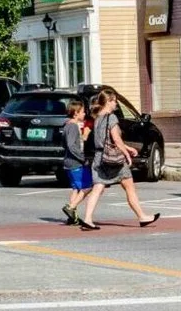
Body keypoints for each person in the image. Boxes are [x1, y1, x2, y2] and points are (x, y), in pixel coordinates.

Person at [84, 89, 159, 227]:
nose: (116, 104)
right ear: (108, 102)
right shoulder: (111, 117)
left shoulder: (98, 118)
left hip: (100, 158)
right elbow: (116, 140)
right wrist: (126, 153)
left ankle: (88, 219)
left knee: (98, 188)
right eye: (114, 101)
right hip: (113, 159)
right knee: (129, 187)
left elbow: (106, 140)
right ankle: (142, 216)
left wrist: (128, 148)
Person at [57, 97, 96, 229]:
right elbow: (71, 145)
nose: (85, 114)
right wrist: (82, 158)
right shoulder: (73, 126)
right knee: (88, 186)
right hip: (76, 163)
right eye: (82, 112)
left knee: (76, 188)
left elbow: (64, 144)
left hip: (68, 162)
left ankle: (72, 216)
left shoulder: (67, 126)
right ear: (75, 113)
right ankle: (71, 207)